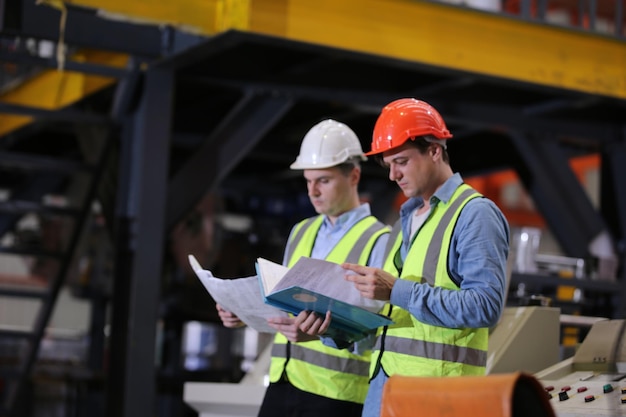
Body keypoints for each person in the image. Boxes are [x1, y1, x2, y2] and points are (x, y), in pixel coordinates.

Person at [341, 98, 511, 417]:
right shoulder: (404, 220)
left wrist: (396, 291)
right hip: (385, 389)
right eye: (388, 165)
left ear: (434, 150)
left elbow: (486, 306)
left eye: (401, 161)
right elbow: (396, 320)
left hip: (438, 398)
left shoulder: (474, 214)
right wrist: (338, 327)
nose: (393, 175)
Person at [216, 119, 390, 417]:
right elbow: (282, 301)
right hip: (283, 379)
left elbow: (379, 333)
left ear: (354, 176)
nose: (313, 191)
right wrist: (244, 313)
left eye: (323, 180)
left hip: (336, 393)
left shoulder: (380, 240)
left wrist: (325, 332)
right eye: (308, 181)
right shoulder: (301, 231)